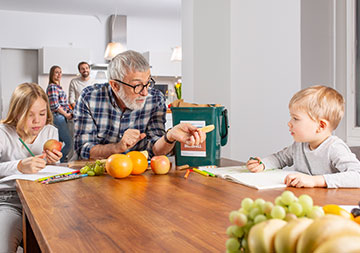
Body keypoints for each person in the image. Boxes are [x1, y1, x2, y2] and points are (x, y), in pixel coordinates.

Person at [74, 50, 206, 159]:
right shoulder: (90, 98)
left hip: (140, 174)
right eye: (137, 85)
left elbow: (155, 149)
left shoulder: (155, 99)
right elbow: (83, 148)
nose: (145, 92)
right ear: (115, 85)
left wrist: (169, 137)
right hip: (98, 174)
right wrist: (117, 148)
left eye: (148, 83)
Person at [246, 85, 360, 188]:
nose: (289, 123)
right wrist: (263, 164)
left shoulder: (334, 148)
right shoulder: (299, 146)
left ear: (321, 125)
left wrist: (315, 181)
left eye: (295, 118)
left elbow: (357, 176)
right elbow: (279, 158)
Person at [0, 83, 62, 252]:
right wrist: (19, 166)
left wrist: (53, 162)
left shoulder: (50, 132)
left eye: (42, 114)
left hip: (44, 203)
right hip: (10, 202)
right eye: (29, 115)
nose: (37, 121)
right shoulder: (3, 133)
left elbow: (52, 174)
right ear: (17, 113)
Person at [46, 65, 73, 162]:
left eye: (60, 72)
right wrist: (67, 115)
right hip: (58, 117)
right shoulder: (52, 87)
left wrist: (69, 112)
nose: (59, 74)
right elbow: (55, 106)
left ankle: (58, 163)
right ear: (52, 74)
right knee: (69, 143)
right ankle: (59, 161)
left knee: (60, 143)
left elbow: (64, 104)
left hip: (61, 117)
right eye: (56, 72)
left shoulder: (58, 87)